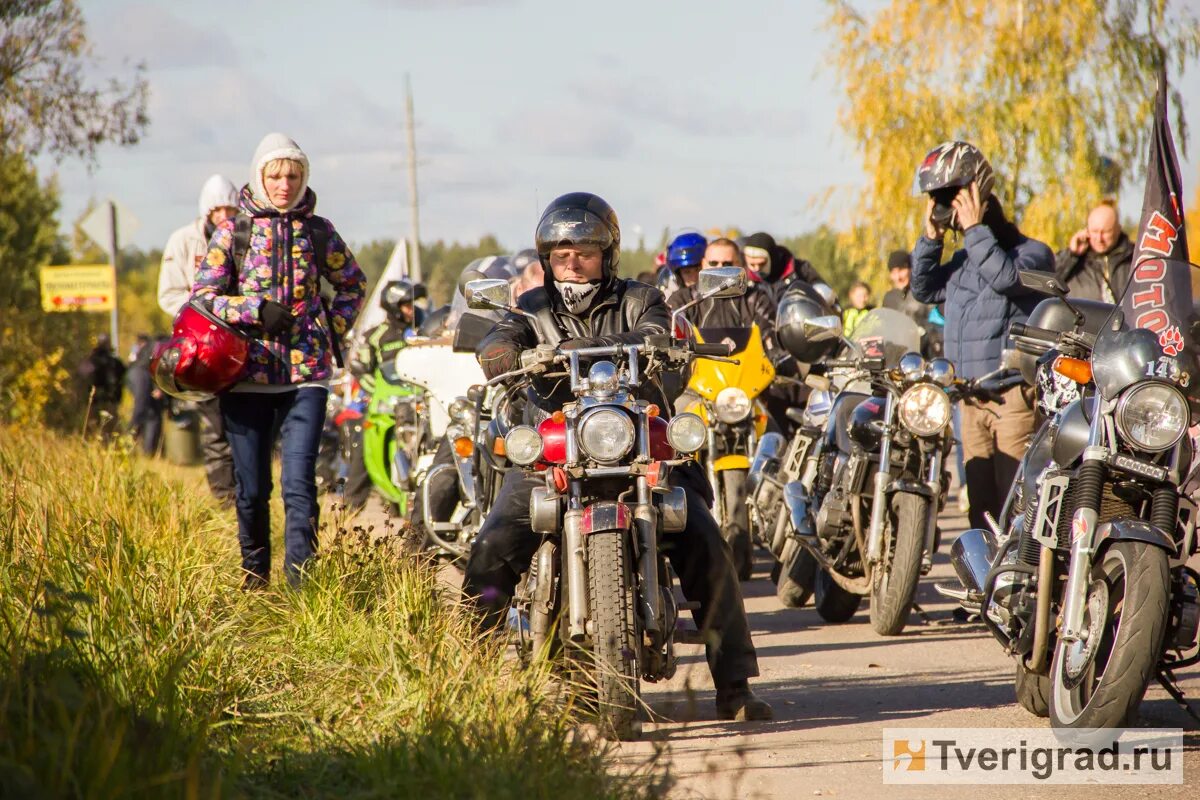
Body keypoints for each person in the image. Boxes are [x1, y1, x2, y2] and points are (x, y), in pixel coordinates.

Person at [466, 192, 771, 721]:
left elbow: (659, 331)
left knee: (704, 538)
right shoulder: (533, 308)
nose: (572, 262)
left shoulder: (641, 298)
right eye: (561, 253)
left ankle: (735, 685)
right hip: (556, 454)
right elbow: (500, 338)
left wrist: (658, 345)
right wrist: (500, 352)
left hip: (636, 446)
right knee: (493, 545)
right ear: (546, 258)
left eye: (583, 250)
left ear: (607, 252)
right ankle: (466, 677)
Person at [191, 133, 366, 588]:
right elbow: (203, 298)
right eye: (276, 175)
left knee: (299, 487)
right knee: (251, 492)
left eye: (293, 175)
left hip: (305, 377)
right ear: (259, 176)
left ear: (304, 177)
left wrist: (333, 331)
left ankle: (301, 589)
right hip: (245, 376)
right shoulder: (233, 233)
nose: (285, 184)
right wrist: (252, 311)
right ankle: (255, 582)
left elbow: (352, 284)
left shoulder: (319, 231)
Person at [910, 140, 1053, 531]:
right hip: (969, 399)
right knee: (981, 508)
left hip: (1011, 399)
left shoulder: (1032, 254)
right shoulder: (960, 263)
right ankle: (984, 587)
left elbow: (1005, 278)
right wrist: (931, 239)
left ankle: (1021, 585)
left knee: (1015, 502)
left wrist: (974, 228)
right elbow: (922, 289)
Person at [159, 174, 241, 504]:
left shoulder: (246, 239)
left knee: (244, 425)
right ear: (207, 212)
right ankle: (225, 499)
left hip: (239, 347)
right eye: (218, 210)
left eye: (230, 209)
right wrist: (206, 310)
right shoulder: (183, 241)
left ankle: (248, 494)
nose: (224, 216)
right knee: (215, 427)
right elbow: (168, 294)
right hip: (201, 347)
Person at [345, 279, 420, 510]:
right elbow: (362, 370)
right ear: (394, 306)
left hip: (414, 401)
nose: (411, 309)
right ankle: (349, 512)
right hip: (381, 402)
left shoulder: (418, 331)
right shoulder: (375, 336)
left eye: (412, 304)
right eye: (406, 305)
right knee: (361, 453)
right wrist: (375, 391)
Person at [1053, 201, 1134, 303]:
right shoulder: (1074, 261)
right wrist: (1071, 255)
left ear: (1118, 229)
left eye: (1106, 232)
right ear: (1086, 230)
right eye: (1095, 231)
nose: (1099, 238)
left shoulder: (1136, 258)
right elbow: (1047, 284)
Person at [741, 231, 824, 302]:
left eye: (761, 264)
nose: (757, 268)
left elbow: (821, 291)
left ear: (772, 258)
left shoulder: (800, 270)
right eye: (752, 264)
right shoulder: (743, 281)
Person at [79, 333, 125, 440]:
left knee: (92, 430)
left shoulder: (92, 360)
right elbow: (121, 374)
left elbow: (82, 375)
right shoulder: (112, 362)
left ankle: (93, 448)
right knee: (108, 432)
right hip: (106, 401)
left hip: (96, 401)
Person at [127, 333, 164, 455]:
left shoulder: (142, 349)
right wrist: (159, 387)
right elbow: (160, 367)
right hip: (141, 375)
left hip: (136, 375)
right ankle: (128, 443)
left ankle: (147, 450)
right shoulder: (159, 347)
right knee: (140, 409)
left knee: (150, 412)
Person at [881, 249, 934, 329]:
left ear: (911, 269)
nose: (898, 277)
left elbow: (936, 323)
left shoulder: (925, 293)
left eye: (901, 270)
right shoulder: (889, 298)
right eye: (894, 273)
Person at [663, 231, 707, 299]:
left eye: (698, 270)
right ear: (678, 276)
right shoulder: (668, 300)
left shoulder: (718, 292)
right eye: (687, 272)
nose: (694, 277)